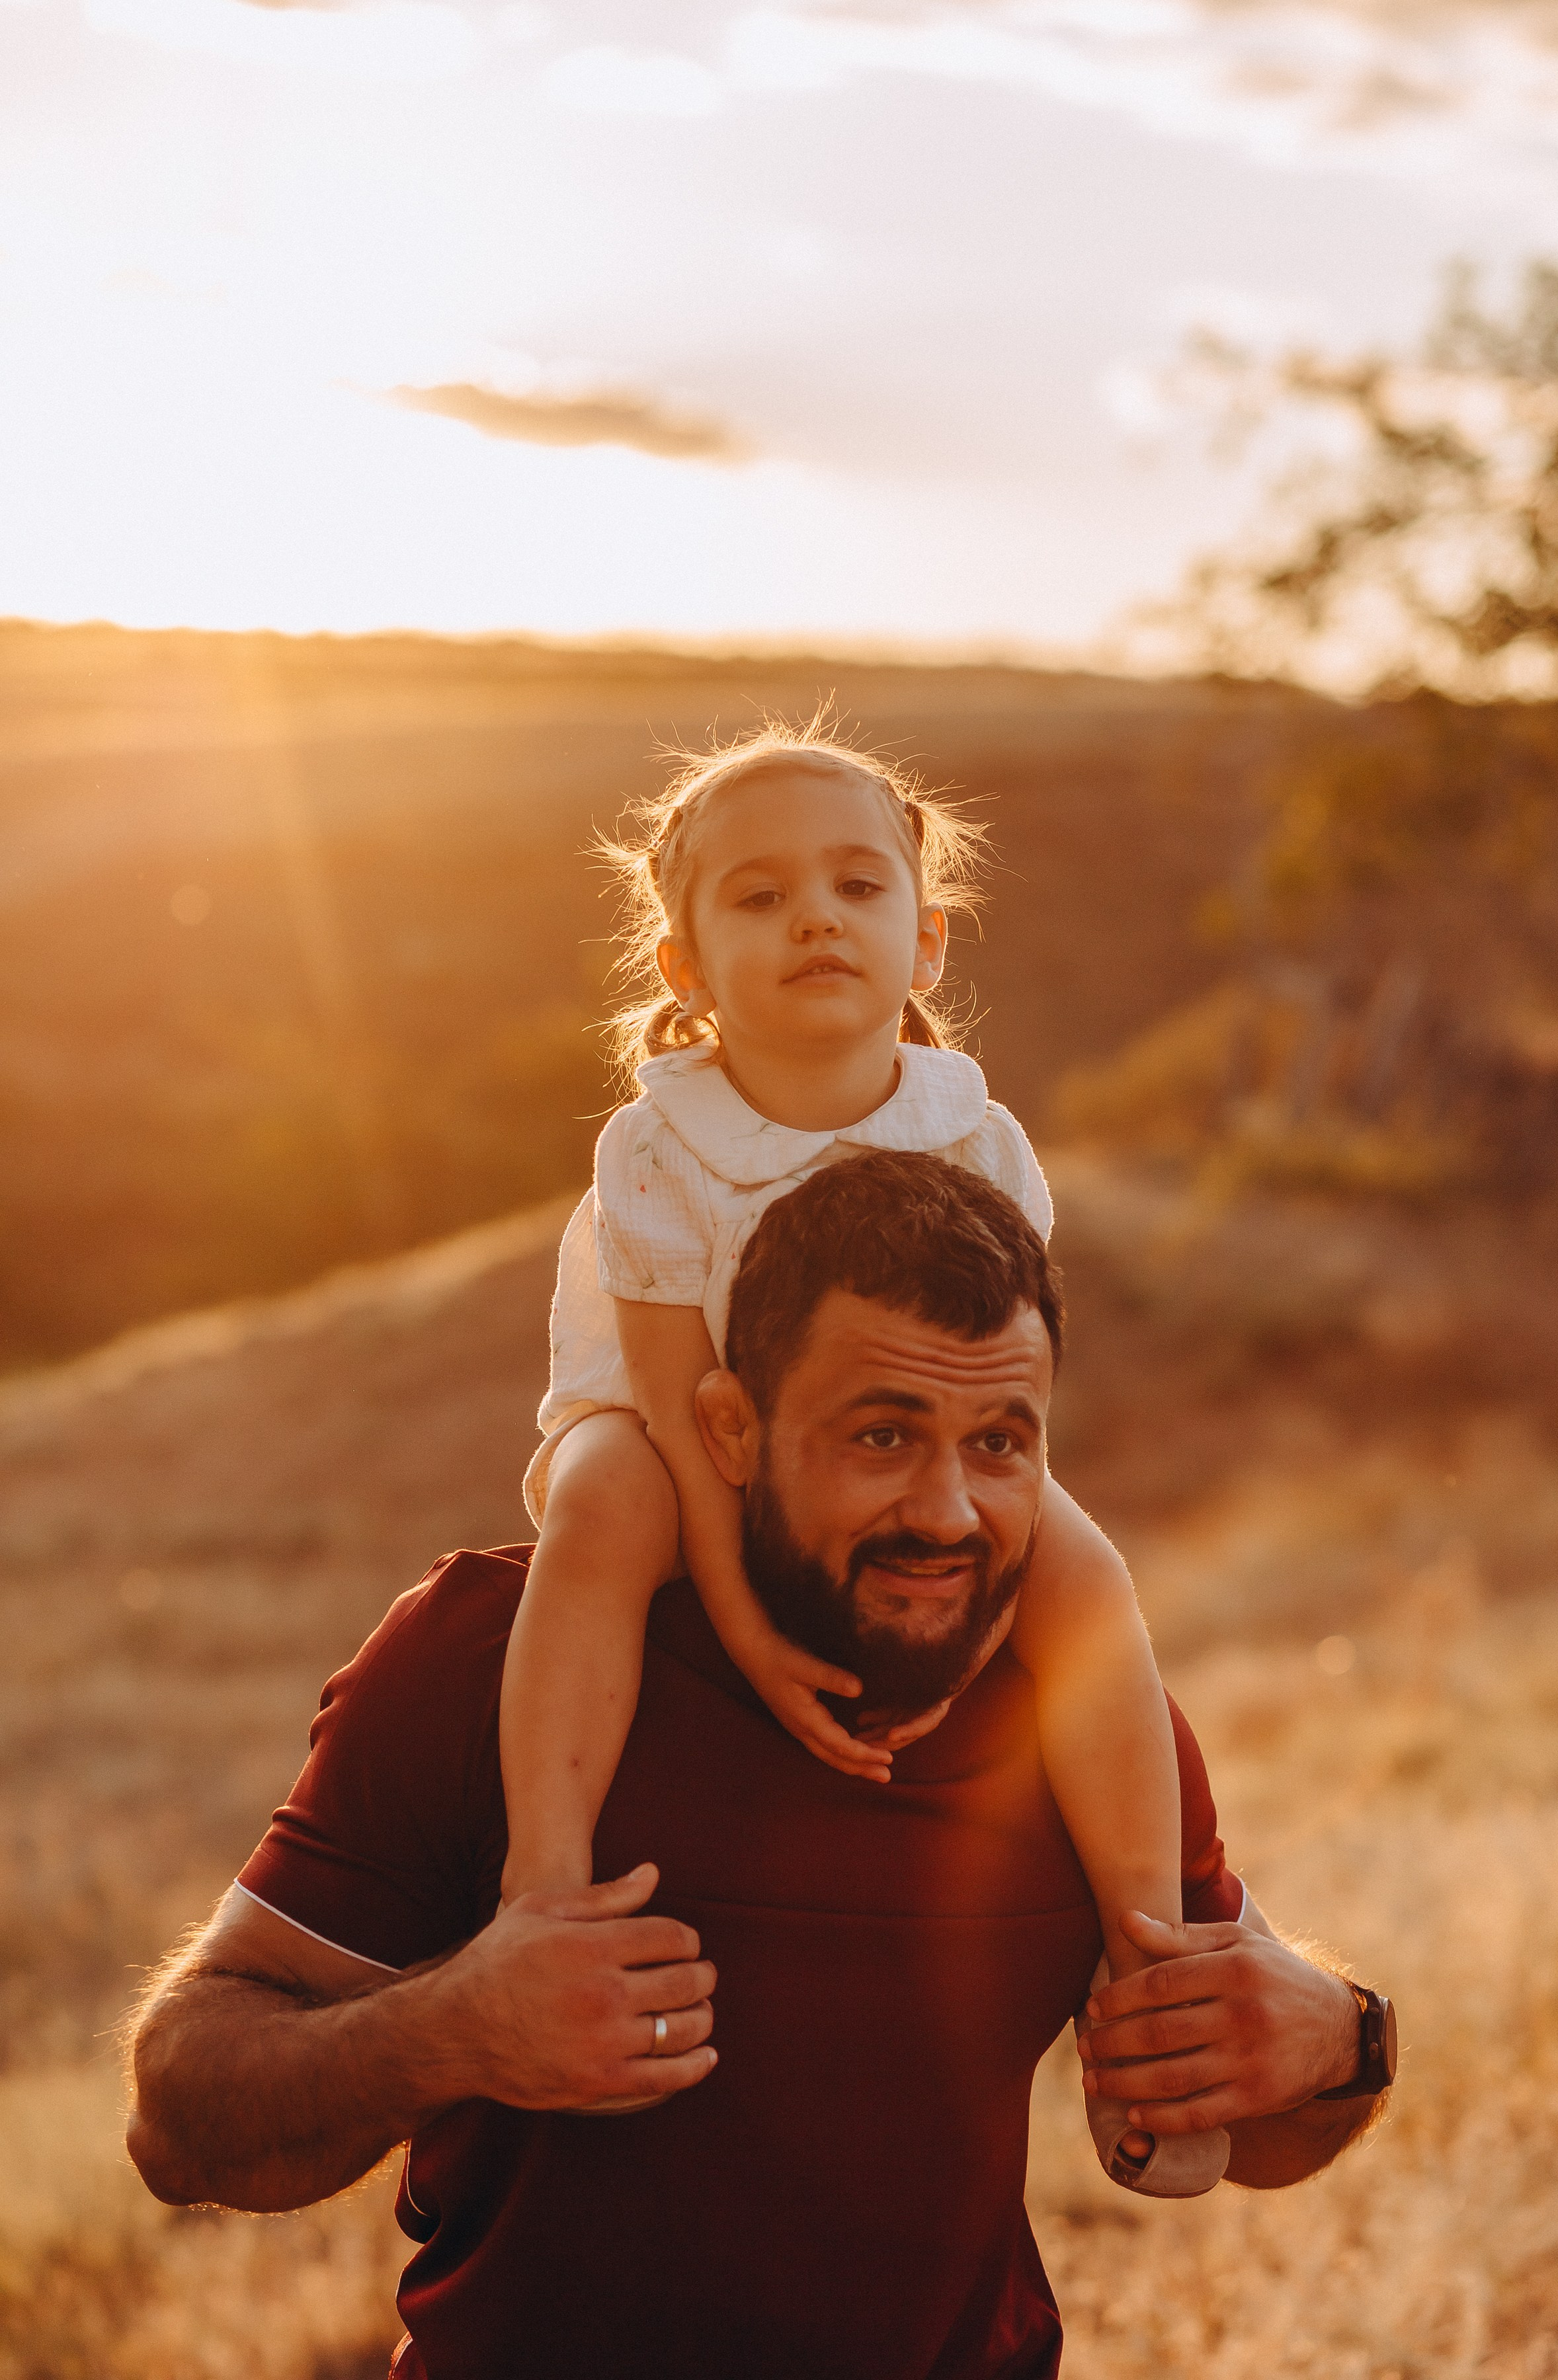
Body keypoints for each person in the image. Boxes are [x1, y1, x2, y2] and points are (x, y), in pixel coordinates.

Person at [126, 1154, 1395, 2380]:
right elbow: (181, 2117)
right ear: (730, 1429)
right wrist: (455, 2030)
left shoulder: (1078, 1719)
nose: (950, 1512)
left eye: (1001, 1444)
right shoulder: (495, 1665)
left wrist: (1340, 2040)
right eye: (884, 1436)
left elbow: (1262, 2129)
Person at [503, 718, 1214, 2186]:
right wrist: (752, 1628)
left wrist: (984, 1569)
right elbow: (674, 1397)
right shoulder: (655, 1145)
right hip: (676, 1422)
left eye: (856, 886)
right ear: (686, 967)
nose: (815, 915)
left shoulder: (978, 1139)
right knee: (600, 1513)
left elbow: (1004, 1392)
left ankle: (1151, 1966)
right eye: (757, 898)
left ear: (926, 937)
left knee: (1088, 1572)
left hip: (904, 1445)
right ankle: (547, 1891)